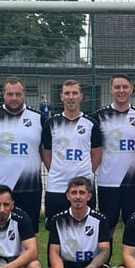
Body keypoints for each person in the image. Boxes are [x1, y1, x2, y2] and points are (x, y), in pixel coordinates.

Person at [39, 176, 112, 268]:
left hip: (91, 265)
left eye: (82, 193)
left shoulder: (100, 219)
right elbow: (54, 252)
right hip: (68, 265)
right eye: (74, 193)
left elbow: (105, 252)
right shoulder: (57, 220)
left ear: (89, 196)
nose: (78, 197)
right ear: (68, 196)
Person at [0, 78, 44, 232]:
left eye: (18, 94)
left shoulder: (39, 118)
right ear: (4, 95)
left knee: (27, 234)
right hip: (0, 188)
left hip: (30, 187)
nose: (14, 98)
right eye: (10, 94)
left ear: (24, 95)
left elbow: (43, 151)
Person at [41, 79, 102, 225]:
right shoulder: (51, 123)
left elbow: (97, 153)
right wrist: (57, 169)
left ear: (81, 96)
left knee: (85, 228)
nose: (71, 97)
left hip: (84, 187)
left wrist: (87, 172)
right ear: (61, 97)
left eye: (74, 93)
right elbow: (46, 153)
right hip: (57, 185)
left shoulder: (91, 123)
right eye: (67, 93)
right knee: (56, 230)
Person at [94, 73, 135, 230]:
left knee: (133, 226)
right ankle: (106, 255)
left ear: (132, 89)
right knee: (107, 227)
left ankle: (131, 255)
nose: (121, 90)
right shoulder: (99, 116)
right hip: (108, 180)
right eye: (117, 87)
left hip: (133, 181)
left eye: (125, 87)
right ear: (111, 90)